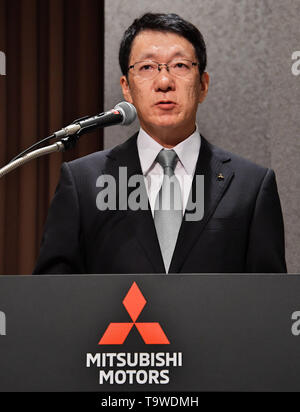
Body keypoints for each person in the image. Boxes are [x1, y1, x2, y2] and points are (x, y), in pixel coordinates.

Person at [33, 13, 287, 274]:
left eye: (179, 66)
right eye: (147, 67)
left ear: (203, 85)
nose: (164, 83)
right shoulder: (84, 183)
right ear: (127, 88)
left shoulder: (251, 187)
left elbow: (266, 303)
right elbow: (53, 297)